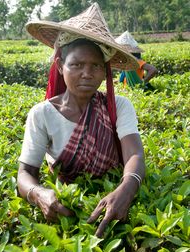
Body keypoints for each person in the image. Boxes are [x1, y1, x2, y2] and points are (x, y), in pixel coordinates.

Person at [17, 3, 145, 238]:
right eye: (76, 64)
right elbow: (25, 172)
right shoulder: (42, 114)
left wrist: (127, 188)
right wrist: (38, 194)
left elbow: (134, 154)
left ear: (104, 70)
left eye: (95, 65)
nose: (87, 73)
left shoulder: (119, 106)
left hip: (113, 191)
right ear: (60, 65)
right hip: (69, 205)